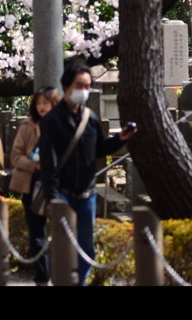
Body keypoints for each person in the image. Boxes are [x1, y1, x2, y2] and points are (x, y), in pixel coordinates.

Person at [39, 63, 135, 286]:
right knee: (63, 245)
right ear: (66, 86)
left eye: (88, 86)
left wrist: (120, 139)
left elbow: (98, 149)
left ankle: (79, 283)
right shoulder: (52, 121)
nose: (84, 90)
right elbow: (48, 162)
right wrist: (52, 196)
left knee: (86, 248)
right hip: (62, 193)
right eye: (79, 85)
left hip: (87, 193)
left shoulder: (90, 118)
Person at [9, 85, 61, 286]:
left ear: (54, 104)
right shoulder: (27, 126)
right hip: (32, 185)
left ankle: (60, 272)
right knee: (37, 232)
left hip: (57, 185)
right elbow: (15, 155)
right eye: (38, 103)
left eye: (46, 103)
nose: (41, 107)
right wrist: (35, 165)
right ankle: (42, 276)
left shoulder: (62, 125)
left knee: (61, 230)